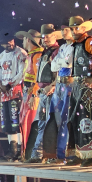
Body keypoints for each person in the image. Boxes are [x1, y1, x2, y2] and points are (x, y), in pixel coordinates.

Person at [65, 16, 92, 166]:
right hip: (77, 86)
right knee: (74, 120)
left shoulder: (90, 41)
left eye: (76, 28)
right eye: (72, 28)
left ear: (83, 28)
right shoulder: (76, 45)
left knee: (86, 119)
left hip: (86, 87)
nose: (73, 31)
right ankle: (79, 153)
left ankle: (90, 155)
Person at [27, 25, 62, 162]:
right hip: (44, 92)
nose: (45, 39)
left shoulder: (56, 52)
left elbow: (60, 72)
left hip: (51, 92)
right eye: (43, 36)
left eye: (48, 36)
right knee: (42, 123)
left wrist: (52, 86)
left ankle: (48, 154)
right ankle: (39, 153)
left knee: (50, 123)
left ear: (55, 36)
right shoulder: (46, 52)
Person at [0, 30, 27, 161]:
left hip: (16, 92)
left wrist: (9, 85)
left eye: (11, 41)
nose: (10, 44)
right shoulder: (1, 56)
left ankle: (20, 151)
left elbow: (22, 73)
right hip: (5, 94)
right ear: (1, 44)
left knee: (16, 122)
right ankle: (12, 152)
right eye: (6, 43)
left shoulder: (21, 53)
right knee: (7, 124)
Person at [15, 29, 44, 159]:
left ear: (28, 40)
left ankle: (31, 153)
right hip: (28, 92)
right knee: (25, 122)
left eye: (24, 39)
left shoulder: (37, 56)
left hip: (32, 93)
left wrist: (34, 95)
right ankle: (27, 152)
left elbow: (38, 78)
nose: (23, 42)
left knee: (30, 123)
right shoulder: (32, 55)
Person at [51, 24, 75, 161]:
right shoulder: (62, 47)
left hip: (68, 84)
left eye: (66, 29)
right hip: (60, 83)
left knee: (66, 118)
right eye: (62, 30)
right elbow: (54, 66)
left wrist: (61, 62)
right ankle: (58, 152)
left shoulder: (75, 46)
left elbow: (68, 63)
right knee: (57, 118)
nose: (64, 32)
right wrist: (62, 61)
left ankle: (64, 153)